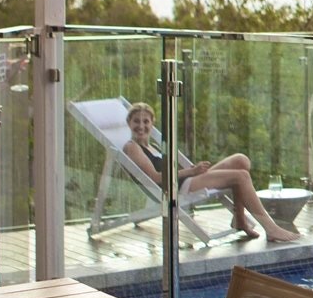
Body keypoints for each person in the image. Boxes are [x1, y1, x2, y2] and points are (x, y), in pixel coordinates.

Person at [120, 102, 302, 243]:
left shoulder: (151, 146)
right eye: (136, 121)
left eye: (146, 121)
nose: (141, 126)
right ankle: (271, 228)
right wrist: (191, 171)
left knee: (241, 160)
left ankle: (239, 219)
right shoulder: (132, 147)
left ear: (152, 124)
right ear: (129, 123)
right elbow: (155, 178)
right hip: (177, 188)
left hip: (186, 180)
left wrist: (192, 172)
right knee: (241, 176)